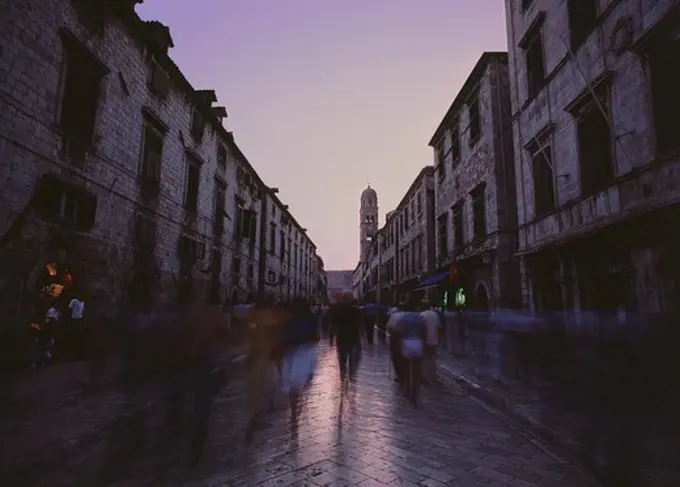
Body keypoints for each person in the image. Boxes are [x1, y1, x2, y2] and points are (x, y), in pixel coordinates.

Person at [279, 299, 320, 429]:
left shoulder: (287, 321)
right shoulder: (312, 320)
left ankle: (294, 410)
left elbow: (282, 337)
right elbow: (316, 337)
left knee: (293, 383)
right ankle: (295, 408)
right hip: (304, 352)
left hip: (291, 353)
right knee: (299, 380)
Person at [328, 295, 363, 382]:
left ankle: (343, 377)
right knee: (352, 358)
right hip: (353, 337)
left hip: (342, 337)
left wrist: (331, 339)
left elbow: (333, 325)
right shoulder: (356, 311)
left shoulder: (337, 310)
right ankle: (351, 376)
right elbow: (360, 326)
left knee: (342, 358)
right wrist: (360, 341)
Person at [420, 304, 442, 384]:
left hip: (425, 339)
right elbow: (439, 327)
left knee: (424, 358)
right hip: (434, 339)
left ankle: (425, 377)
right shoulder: (435, 314)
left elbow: (421, 328)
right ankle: (433, 376)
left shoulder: (421, 315)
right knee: (432, 359)